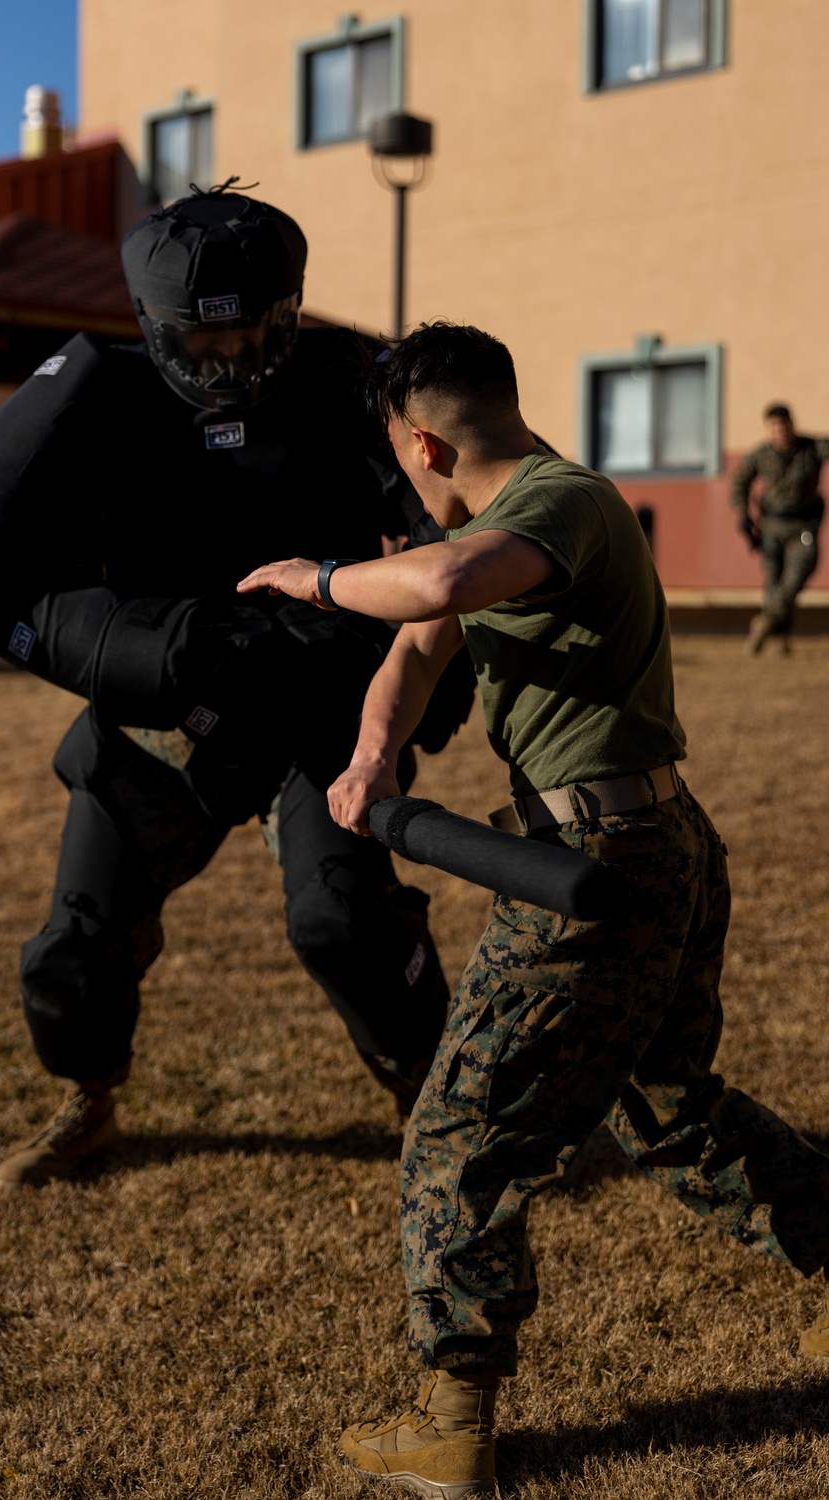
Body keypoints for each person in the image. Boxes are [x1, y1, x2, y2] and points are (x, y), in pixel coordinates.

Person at [239, 322, 829, 1499]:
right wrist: (371, 762)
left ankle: (452, 1419)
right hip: (646, 842)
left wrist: (313, 578)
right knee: (664, 1103)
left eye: (399, 454)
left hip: (596, 860)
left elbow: (441, 586)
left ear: (420, 439)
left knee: (459, 1133)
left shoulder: (559, 504)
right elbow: (417, 645)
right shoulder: (497, 519)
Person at [0, 184, 475, 1189]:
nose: (236, 362)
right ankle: (89, 1092)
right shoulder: (100, 396)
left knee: (343, 920)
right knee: (75, 945)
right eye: (206, 346)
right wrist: (130, 645)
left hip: (315, 704)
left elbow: (461, 527)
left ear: (291, 312)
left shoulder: (347, 382)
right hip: (167, 710)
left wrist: (421, 656)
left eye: (258, 334)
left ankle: (429, 1093)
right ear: (154, 330)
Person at [730, 402, 829, 654]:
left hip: (802, 526)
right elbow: (740, 481)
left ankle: (764, 623)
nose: (780, 431)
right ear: (769, 429)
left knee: (796, 576)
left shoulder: (811, 448)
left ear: (791, 425)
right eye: (774, 427)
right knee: (774, 581)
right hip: (772, 526)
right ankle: (781, 640)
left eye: (784, 425)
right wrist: (743, 514)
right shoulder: (761, 454)